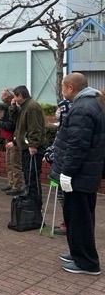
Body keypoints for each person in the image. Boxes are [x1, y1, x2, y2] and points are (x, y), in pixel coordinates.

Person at [50, 73, 105, 276]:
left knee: (79, 219)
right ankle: (78, 253)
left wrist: (67, 172)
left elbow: (77, 146)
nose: (61, 90)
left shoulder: (82, 109)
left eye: (62, 87)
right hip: (84, 175)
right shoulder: (89, 104)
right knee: (77, 218)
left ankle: (87, 263)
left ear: (71, 88)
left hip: (79, 176)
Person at [11, 85, 47, 209]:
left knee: (32, 176)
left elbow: (34, 127)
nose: (14, 99)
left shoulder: (32, 107)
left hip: (32, 148)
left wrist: (33, 144)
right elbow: (16, 122)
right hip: (26, 147)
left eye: (15, 97)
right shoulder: (24, 107)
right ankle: (31, 199)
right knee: (28, 174)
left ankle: (35, 203)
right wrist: (13, 108)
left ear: (20, 96)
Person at [44, 98, 71, 235]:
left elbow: (64, 149)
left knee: (65, 198)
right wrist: (49, 152)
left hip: (63, 169)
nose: (57, 112)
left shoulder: (68, 129)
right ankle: (67, 222)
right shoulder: (62, 127)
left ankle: (69, 224)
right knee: (62, 197)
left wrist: (50, 156)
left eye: (60, 110)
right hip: (59, 167)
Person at [0, 88, 24, 195]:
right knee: (8, 162)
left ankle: (17, 185)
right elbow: (5, 120)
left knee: (15, 163)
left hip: (14, 139)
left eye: (4, 95)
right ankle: (11, 183)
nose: (1, 97)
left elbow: (11, 125)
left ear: (10, 98)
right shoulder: (7, 108)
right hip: (8, 138)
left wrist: (0, 123)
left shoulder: (15, 109)